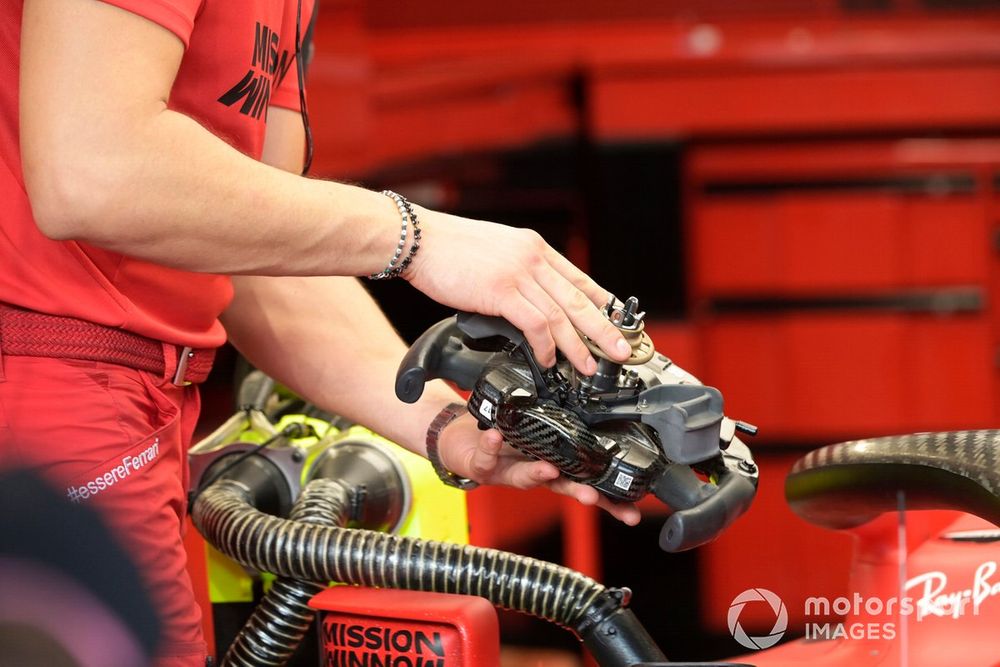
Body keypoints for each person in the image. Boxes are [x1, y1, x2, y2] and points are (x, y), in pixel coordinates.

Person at [1, 1, 641, 664]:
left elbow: (251, 252)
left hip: (138, 403)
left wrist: (450, 427)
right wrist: (418, 239)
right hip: (42, 381)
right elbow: (92, 164)